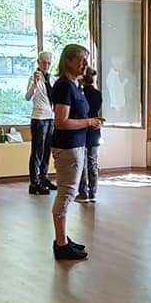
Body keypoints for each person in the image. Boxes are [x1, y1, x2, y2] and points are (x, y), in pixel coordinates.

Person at [50, 44, 103, 261]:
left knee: (68, 192)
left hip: (76, 144)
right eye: (81, 60)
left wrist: (89, 122)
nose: (85, 65)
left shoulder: (74, 85)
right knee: (67, 193)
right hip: (67, 146)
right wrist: (89, 122)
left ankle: (63, 239)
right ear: (68, 61)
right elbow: (61, 122)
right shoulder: (64, 86)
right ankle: (61, 244)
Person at [25, 51, 57, 195]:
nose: (46, 65)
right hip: (39, 118)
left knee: (47, 150)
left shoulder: (51, 78)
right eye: (44, 62)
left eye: (49, 63)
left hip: (50, 117)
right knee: (37, 151)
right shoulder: (34, 77)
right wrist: (35, 84)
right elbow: (27, 97)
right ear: (38, 62)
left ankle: (44, 178)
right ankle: (34, 182)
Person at [77, 66, 102, 203]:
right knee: (93, 161)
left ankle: (83, 193)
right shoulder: (97, 94)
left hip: (82, 128)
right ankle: (93, 193)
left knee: (82, 161)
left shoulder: (80, 94)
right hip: (95, 130)